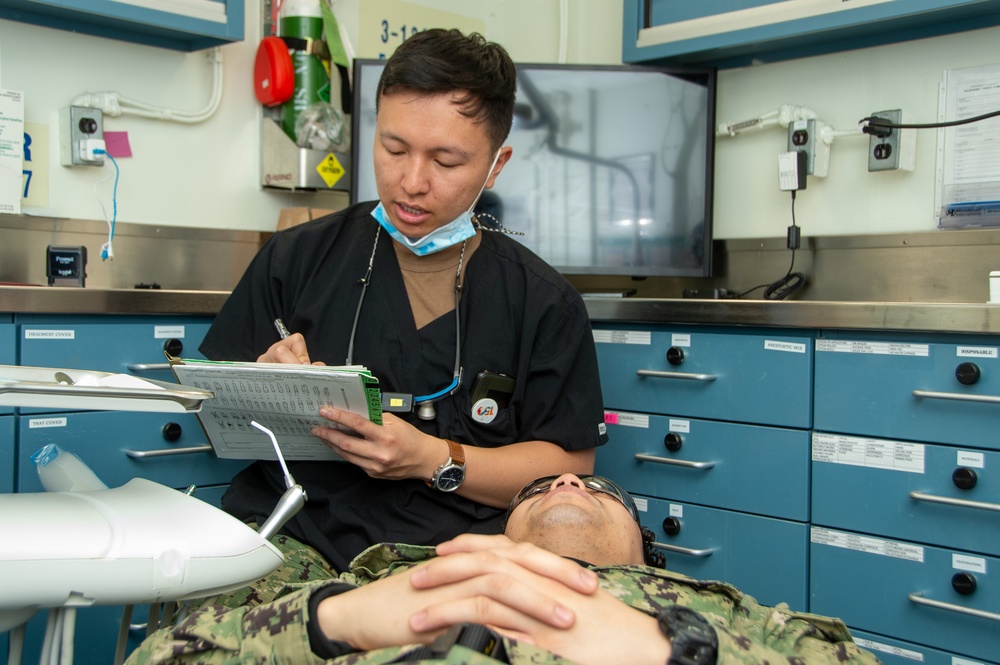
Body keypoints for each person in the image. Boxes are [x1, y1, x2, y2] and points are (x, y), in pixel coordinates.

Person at [199, 28, 608, 574]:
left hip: (456, 560)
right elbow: (212, 411)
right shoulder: (297, 259)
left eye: (446, 161)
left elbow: (568, 463)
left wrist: (433, 459)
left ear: (496, 165)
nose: (411, 182)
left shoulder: (543, 302)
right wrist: (261, 386)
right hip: (290, 542)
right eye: (394, 149)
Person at [126, 474, 879, 665]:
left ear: (652, 558)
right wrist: (332, 619)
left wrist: (675, 647)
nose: (566, 483)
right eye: (538, 490)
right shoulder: (385, 584)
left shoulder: (711, 616)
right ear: (499, 531)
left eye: (597, 489)